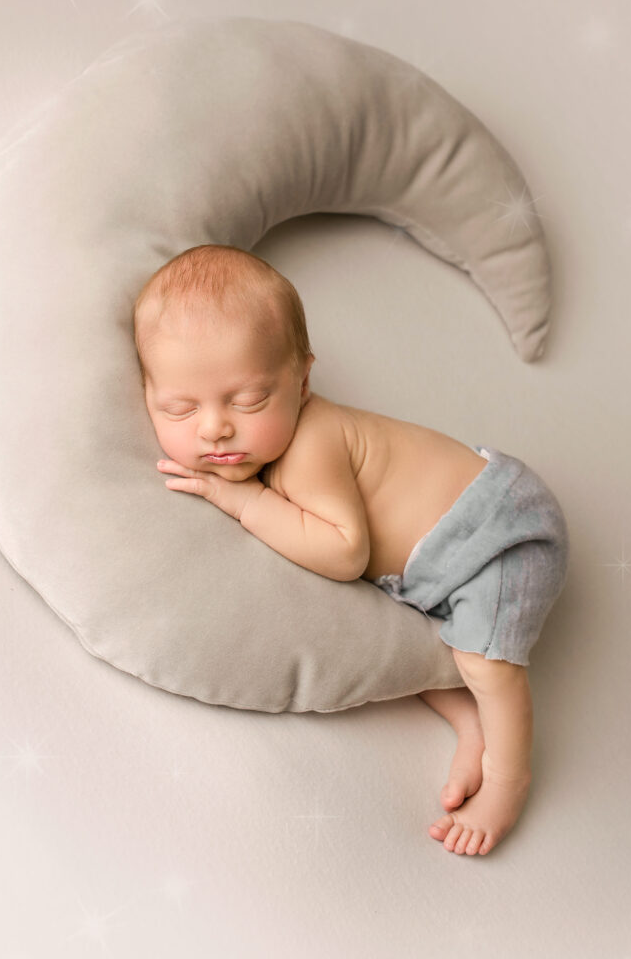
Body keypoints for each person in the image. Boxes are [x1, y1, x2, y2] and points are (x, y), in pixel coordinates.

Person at [132, 243, 568, 857]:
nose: (214, 428)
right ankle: (471, 726)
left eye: (249, 400)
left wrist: (244, 502)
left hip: (496, 533)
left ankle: (508, 778)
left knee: (486, 665)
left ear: (302, 380)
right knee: (393, 645)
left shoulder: (312, 440)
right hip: (428, 575)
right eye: (178, 408)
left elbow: (344, 554)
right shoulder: (245, 441)